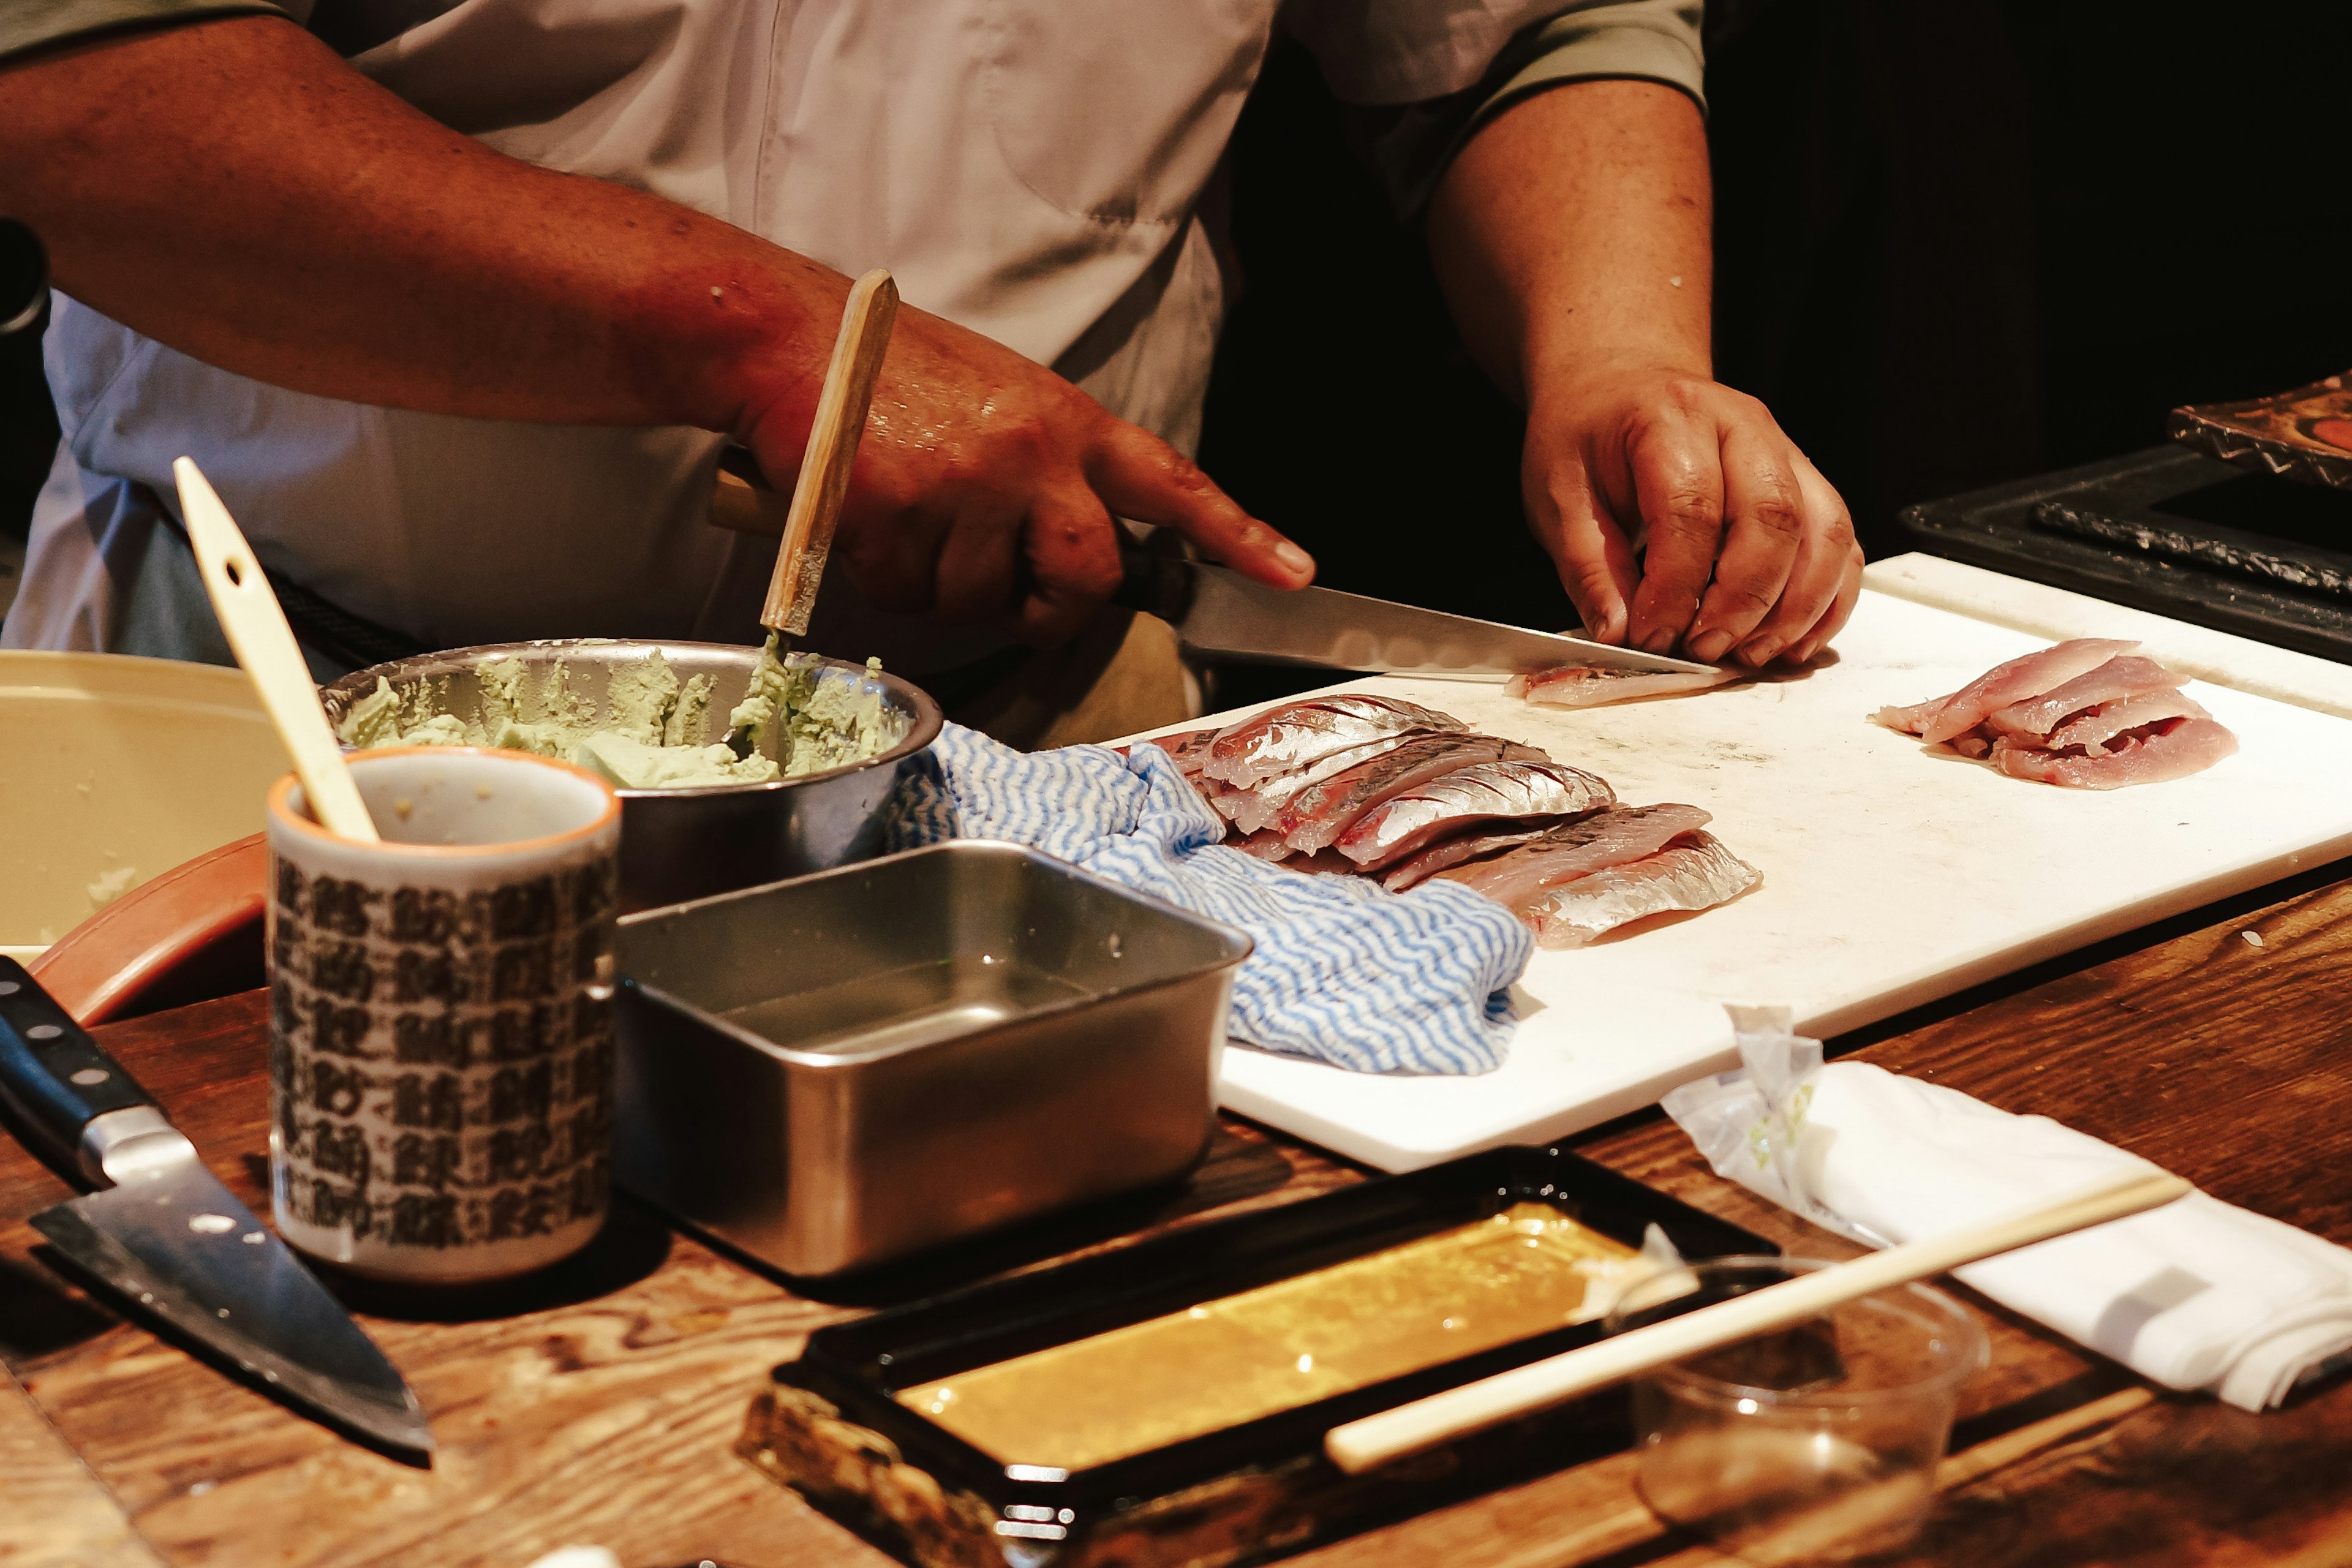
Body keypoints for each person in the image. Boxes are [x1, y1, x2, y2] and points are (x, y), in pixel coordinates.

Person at [0, 0, 1860, 745]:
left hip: (1041, 719)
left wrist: (1618, 341)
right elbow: (76, 92)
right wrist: (772, 341)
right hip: (278, 705)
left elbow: (1507, 28)